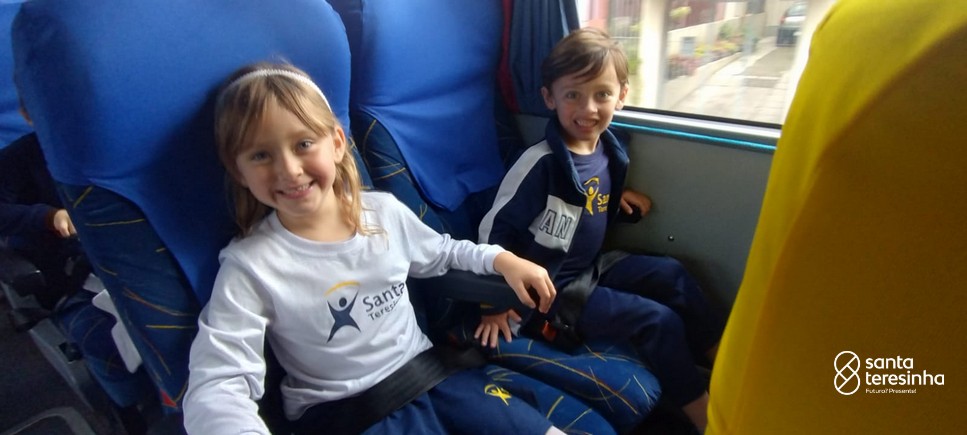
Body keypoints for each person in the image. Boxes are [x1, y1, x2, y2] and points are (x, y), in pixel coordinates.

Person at [184, 62, 569, 435]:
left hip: (432, 376)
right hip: (351, 413)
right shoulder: (251, 265)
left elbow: (443, 253)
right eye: (260, 155)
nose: (288, 169)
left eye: (303, 144)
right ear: (238, 171)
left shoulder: (383, 213)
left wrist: (502, 259)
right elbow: (219, 381)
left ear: (337, 143)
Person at [475, 28, 723, 432]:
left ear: (621, 96)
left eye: (602, 94)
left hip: (591, 267)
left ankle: (727, 368)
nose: (588, 108)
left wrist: (618, 199)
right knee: (658, 321)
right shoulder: (539, 164)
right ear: (549, 98)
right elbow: (492, 232)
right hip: (550, 290)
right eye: (573, 95)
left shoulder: (608, 147)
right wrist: (493, 301)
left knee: (672, 274)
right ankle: (707, 419)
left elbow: (585, 200)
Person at [0, 110, 152, 433]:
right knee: (107, 338)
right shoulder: (19, 158)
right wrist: (46, 217)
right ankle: (137, 416)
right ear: (27, 114)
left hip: (133, 256)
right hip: (74, 273)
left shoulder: (111, 141)